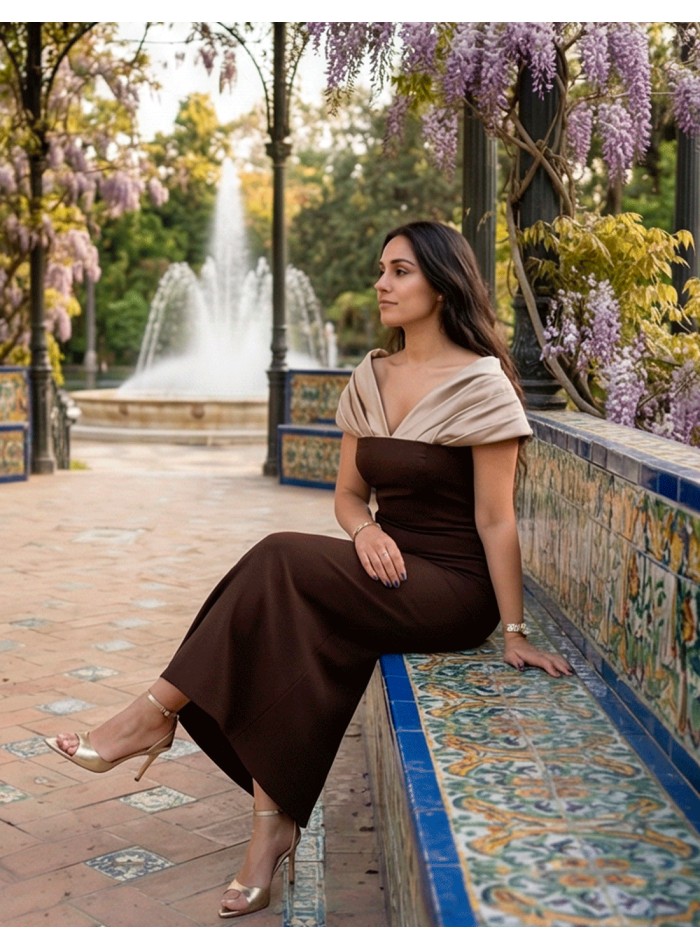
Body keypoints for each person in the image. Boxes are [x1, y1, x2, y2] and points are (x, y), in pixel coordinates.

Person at [46, 220, 573, 920]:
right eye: (381, 269)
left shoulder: (483, 386)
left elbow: (496, 521)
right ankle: (270, 828)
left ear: (444, 287)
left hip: (451, 588)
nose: (382, 284)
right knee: (292, 622)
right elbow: (349, 496)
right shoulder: (371, 376)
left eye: (400, 272)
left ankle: (154, 713)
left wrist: (513, 631)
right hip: (385, 569)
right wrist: (365, 531)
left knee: (277, 558)